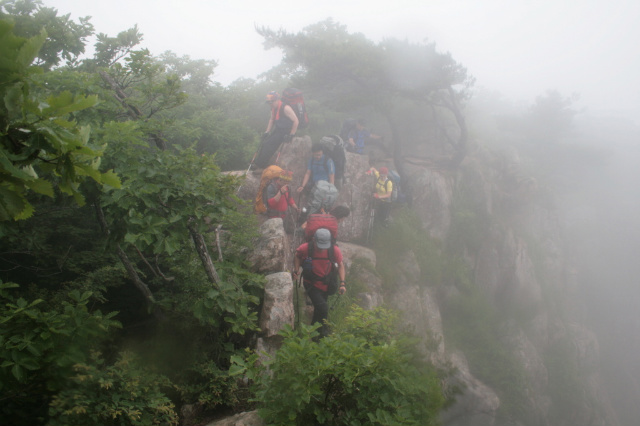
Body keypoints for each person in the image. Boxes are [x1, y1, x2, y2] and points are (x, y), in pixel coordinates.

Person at [293, 228, 346, 338]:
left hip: (326, 285)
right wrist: (296, 269)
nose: (322, 249)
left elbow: (340, 265)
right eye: (319, 245)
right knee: (323, 308)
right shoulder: (306, 248)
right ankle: (322, 335)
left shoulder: (334, 250)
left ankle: (312, 332)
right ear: (313, 240)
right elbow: (297, 255)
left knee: (319, 309)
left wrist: (342, 283)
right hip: (310, 284)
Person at [254, 91, 299, 168]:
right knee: (265, 143)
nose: (270, 104)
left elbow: (296, 121)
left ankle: (261, 166)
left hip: (286, 131)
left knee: (268, 145)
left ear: (277, 100)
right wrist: (267, 132)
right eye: (269, 102)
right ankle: (258, 163)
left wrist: (291, 134)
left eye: (271, 102)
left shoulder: (286, 108)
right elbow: (271, 120)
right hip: (278, 129)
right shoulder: (273, 108)